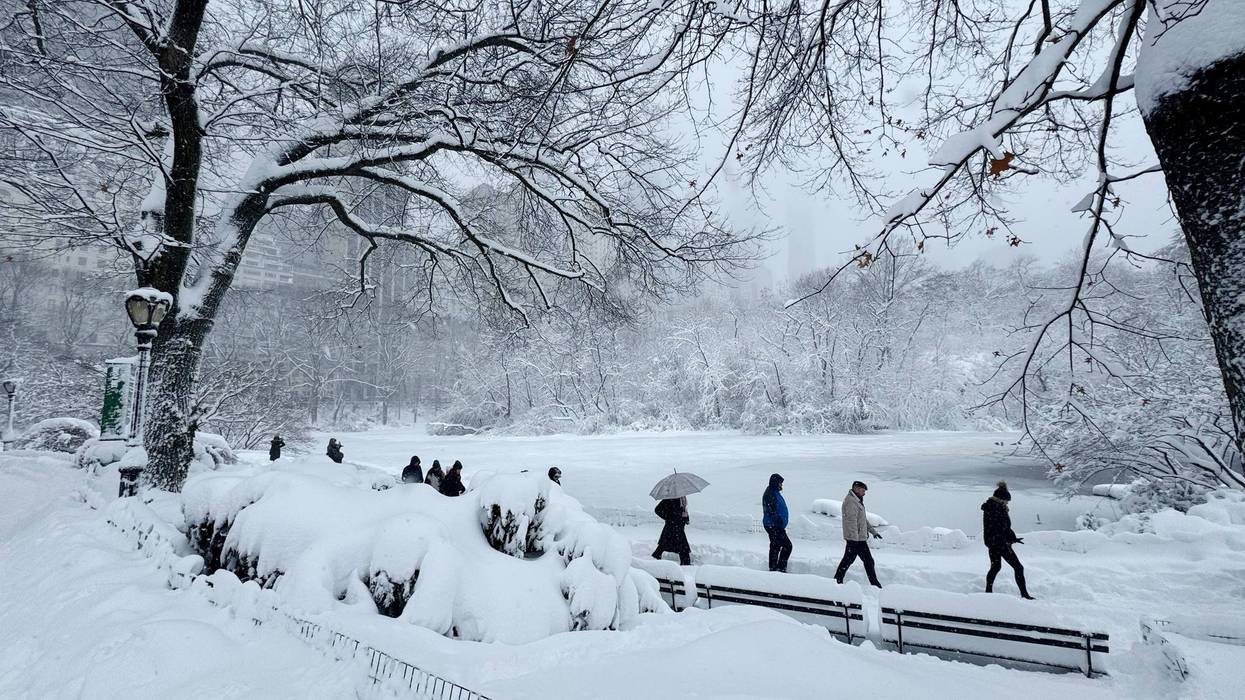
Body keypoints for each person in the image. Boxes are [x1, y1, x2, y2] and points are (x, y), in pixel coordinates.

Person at [982, 481, 1034, 599]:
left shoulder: (990, 507)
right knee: (1018, 568)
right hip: (1000, 543)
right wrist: (1012, 538)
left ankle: (988, 591)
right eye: (1006, 501)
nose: (1007, 503)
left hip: (993, 542)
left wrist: (1012, 538)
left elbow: (999, 528)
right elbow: (1004, 528)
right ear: (1001, 499)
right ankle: (1024, 594)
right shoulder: (998, 509)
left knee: (995, 567)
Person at [834, 480, 882, 587]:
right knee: (857, 561)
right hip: (855, 540)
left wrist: (873, 532)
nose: (864, 493)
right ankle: (837, 581)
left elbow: (862, 520)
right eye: (863, 490)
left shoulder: (857, 501)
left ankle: (837, 580)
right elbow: (851, 522)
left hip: (858, 539)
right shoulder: (851, 502)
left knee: (853, 561)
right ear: (856, 489)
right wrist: (854, 541)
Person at [762, 473, 792, 572]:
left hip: (774, 525)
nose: (781, 485)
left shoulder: (773, 491)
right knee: (787, 546)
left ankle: (775, 568)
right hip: (773, 526)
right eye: (780, 483)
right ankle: (780, 568)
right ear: (775, 483)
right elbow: (771, 511)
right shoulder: (770, 494)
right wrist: (778, 522)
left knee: (776, 545)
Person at [651, 496, 692, 565]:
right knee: (682, 545)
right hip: (672, 526)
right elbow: (657, 510)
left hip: (678, 526)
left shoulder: (682, 498)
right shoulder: (669, 498)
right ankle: (686, 563)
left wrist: (686, 518)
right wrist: (669, 518)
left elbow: (683, 510)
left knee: (665, 543)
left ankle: (656, 556)